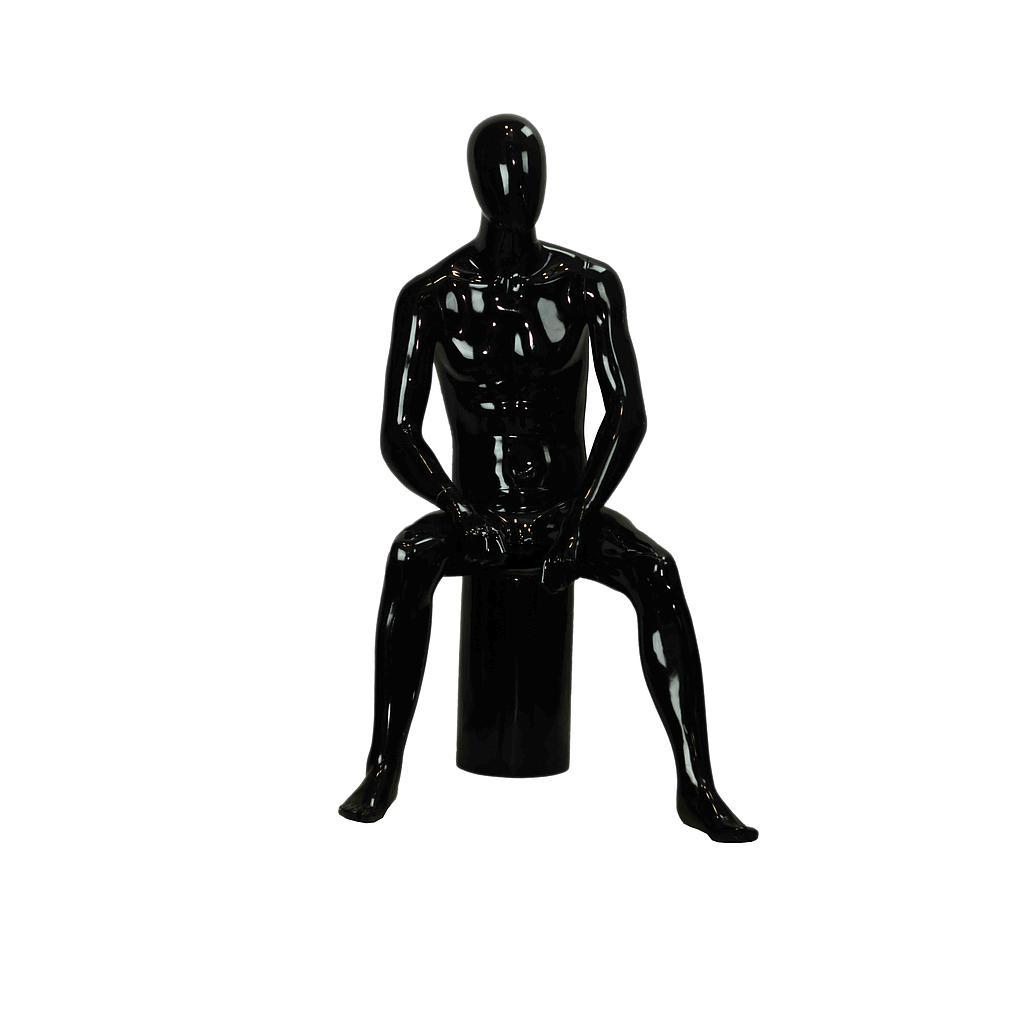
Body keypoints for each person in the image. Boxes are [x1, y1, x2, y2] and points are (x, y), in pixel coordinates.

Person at [339, 114, 757, 841]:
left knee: (656, 571)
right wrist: (458, 509)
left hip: (569, 509)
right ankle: (383, 768)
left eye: (529, 169)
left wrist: (579, 514)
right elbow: (397, 435)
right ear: (476, 183)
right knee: (409, 557)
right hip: (477, 514)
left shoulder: (586, 284)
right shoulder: (432, 295)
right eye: (504, 171)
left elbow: (626, 416)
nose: (518, 186)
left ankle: (697, 785)